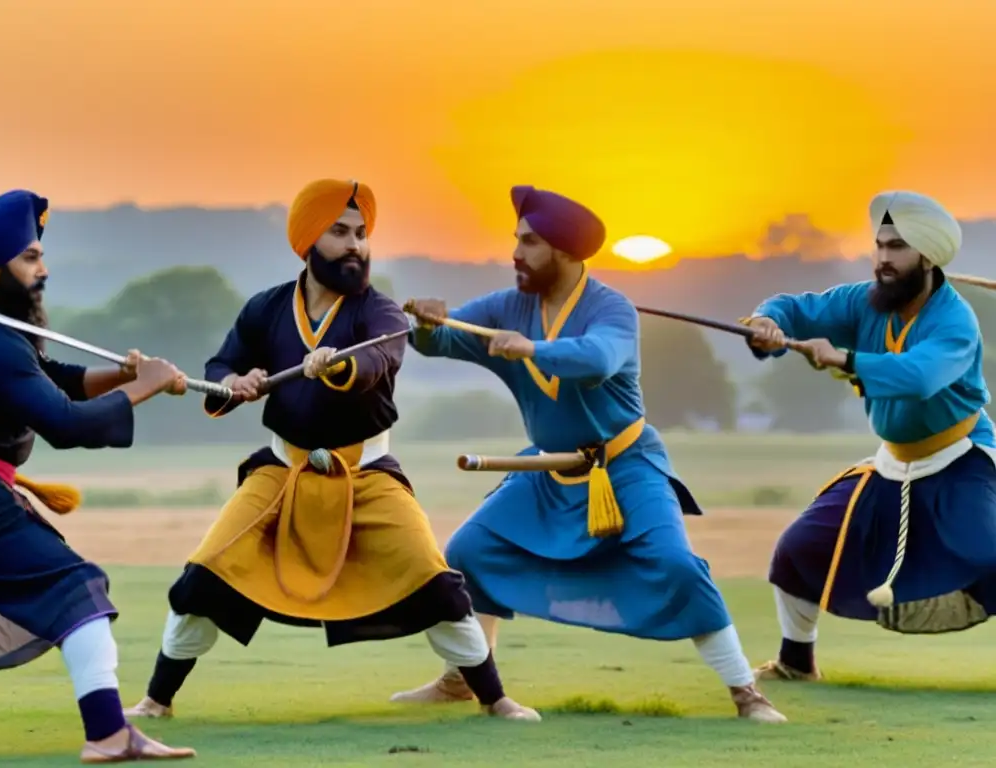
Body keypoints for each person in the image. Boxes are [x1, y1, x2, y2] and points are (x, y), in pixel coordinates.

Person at [123, 179, 538, 723]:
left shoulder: (380, 311)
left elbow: (380, 361)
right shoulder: (265, 309)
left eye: (361, 233)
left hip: (367, 474)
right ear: (307, 241)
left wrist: (338, 363)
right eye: (340, 232)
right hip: (281, 472)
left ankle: (494, 698)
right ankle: (156, 702)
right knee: (206, 572)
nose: (355, 245)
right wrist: (236, 381)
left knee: (433, 578)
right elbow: (219, 369)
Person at [392, 184, 786, 723]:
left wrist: (533, 348)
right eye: (515, 240)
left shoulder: (612, 309)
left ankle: (747, 693)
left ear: (565, 251)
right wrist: (428, 324)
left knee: (674, 564)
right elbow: (446, 341)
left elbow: (600, 359)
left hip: (626, 466)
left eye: (529, 242)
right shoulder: (507, 306)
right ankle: (463, 678)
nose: (515, 253)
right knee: (469, 551)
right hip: (547, 470)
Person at [0, 190, 196, 762]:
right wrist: (145, 385)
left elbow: (50, 376)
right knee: (78, 591)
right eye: (29, 258)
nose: (43, 269)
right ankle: (109, 734)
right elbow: (64, 424)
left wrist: (120, 375)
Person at [744, 190, 996, 683]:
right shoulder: (862, 302)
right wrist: (766, 322)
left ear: (927, 255)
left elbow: (920, 377)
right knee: (798, 549)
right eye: (879, 245)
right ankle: (796, 662)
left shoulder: (955, 321)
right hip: (891, 463)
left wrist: (845, 359)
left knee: (988, 555)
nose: (882, 258)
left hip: (961, 459)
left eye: (897, 247)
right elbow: (795, 308)